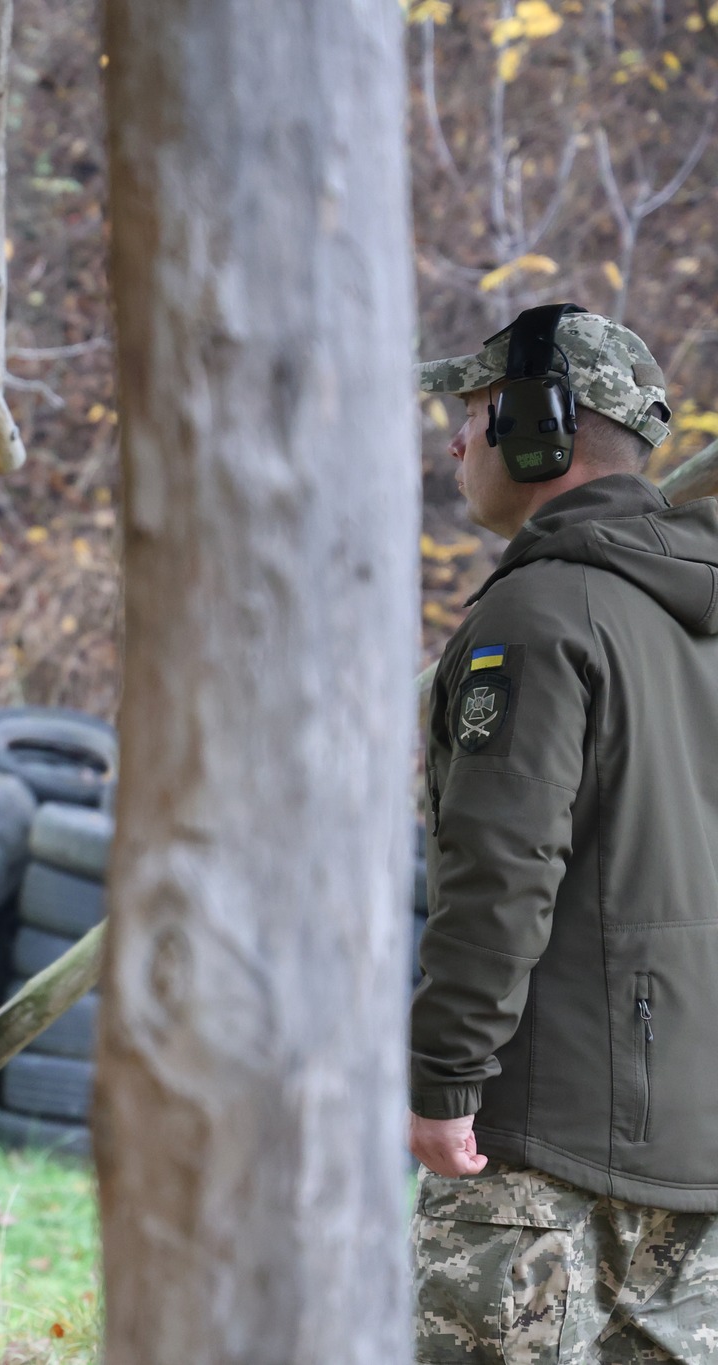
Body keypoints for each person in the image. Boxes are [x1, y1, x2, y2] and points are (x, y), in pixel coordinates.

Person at [410, 305, 718, 1362]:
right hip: (694, 1149)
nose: (454, 440)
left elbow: (500, 869)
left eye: (474, 411)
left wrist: (444, 1080)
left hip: (544, 1150)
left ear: (538, 426)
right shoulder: (690, 616)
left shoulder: (535, 619)